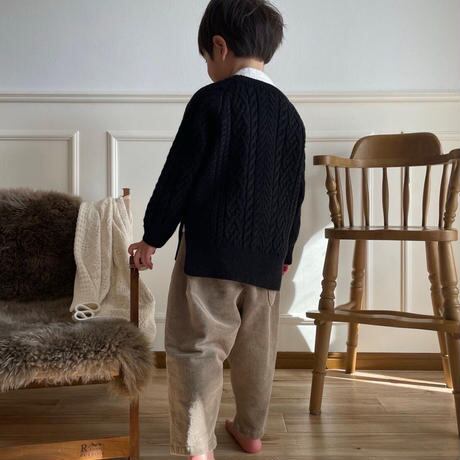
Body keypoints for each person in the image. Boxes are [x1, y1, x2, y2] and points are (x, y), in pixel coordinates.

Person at [128, 0, 306, 458]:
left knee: (197, 348)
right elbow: (294, 192)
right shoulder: (291, 116)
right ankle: (250, 431)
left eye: (206, 57)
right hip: (266, 261)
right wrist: (285, 250)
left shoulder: (211, 102)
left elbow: (178, 177)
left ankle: (197, 446)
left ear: (220, 47)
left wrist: (152, 236)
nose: (208, 68)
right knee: (256, 352)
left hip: (209, 256)